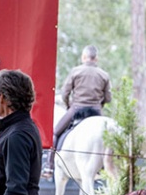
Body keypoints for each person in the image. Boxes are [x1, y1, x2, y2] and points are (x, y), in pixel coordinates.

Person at [41, 45, 111, 179]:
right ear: (96, 58)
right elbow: (108, 98)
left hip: (77, 109)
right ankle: (103, 166)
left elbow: (64, 94)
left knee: (55, 133)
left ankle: (49, 166)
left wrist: (69, 106)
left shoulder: (76, 72)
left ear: (84, 57)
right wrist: (98, 106)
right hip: (96, 111)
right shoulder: (104, 75)